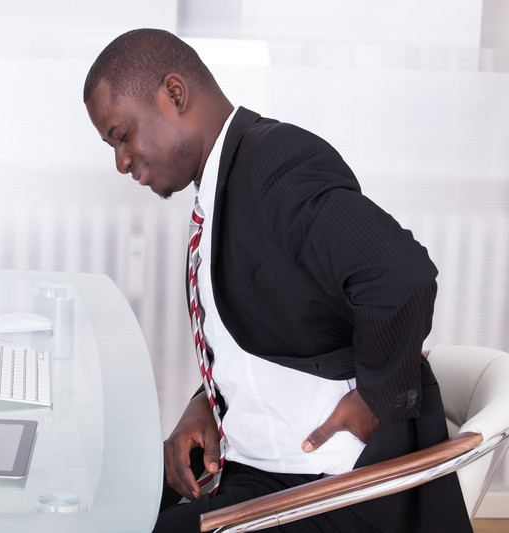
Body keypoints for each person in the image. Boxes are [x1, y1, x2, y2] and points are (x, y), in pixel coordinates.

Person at [83, 29, 472, 533]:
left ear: (174, 95)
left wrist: (379, 395)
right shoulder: (225, 181)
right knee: (115, 501)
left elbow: (400, 274)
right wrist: (208, 402)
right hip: (261, 461)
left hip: (328, 485)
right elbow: (281, 320)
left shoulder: (273, 164)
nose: (121, 162)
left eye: (121, 136)